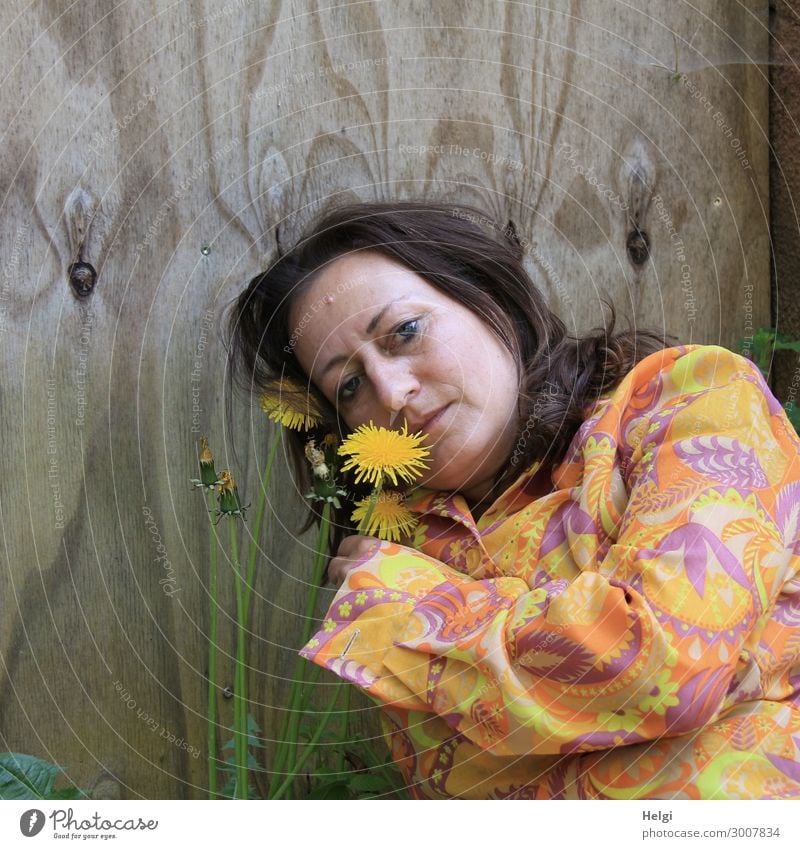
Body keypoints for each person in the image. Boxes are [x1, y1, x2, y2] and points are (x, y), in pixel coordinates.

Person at [227, 199, 800, 799]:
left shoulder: (689, 403)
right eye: (349, 385)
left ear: (485, 295)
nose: (393, 392)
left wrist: (419, 617)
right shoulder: (398, 552)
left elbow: (671, 668)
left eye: (404, 332)